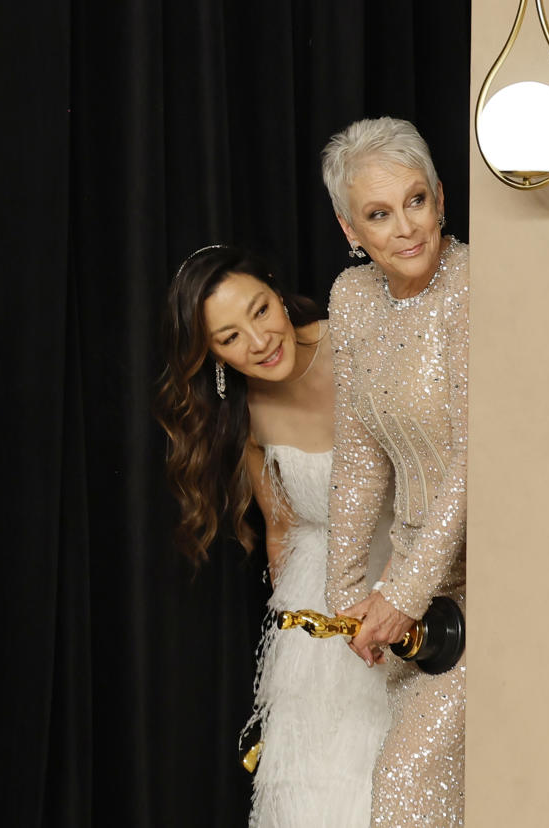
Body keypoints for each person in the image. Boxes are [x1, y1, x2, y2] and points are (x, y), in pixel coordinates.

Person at [156, 245, 389, 827]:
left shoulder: (363, 340)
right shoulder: (243, 413)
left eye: (260, 311)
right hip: (321, 608)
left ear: (276, 291)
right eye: (229, 338)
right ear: (210, 354)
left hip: (409, 570)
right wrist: (298, 646)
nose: (258, 342)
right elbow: (282, 526)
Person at [321, 116, 468, 826]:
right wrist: (348, 592)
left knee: (408, 786)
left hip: (490, 579)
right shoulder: (351, 300)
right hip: (416, 590)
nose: (406, 227)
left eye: (416, 200)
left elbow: (480, 453)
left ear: (441, 197)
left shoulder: (475, 286)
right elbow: (357, 452)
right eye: (379, 214)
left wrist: (403, 592)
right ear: (351, 229)